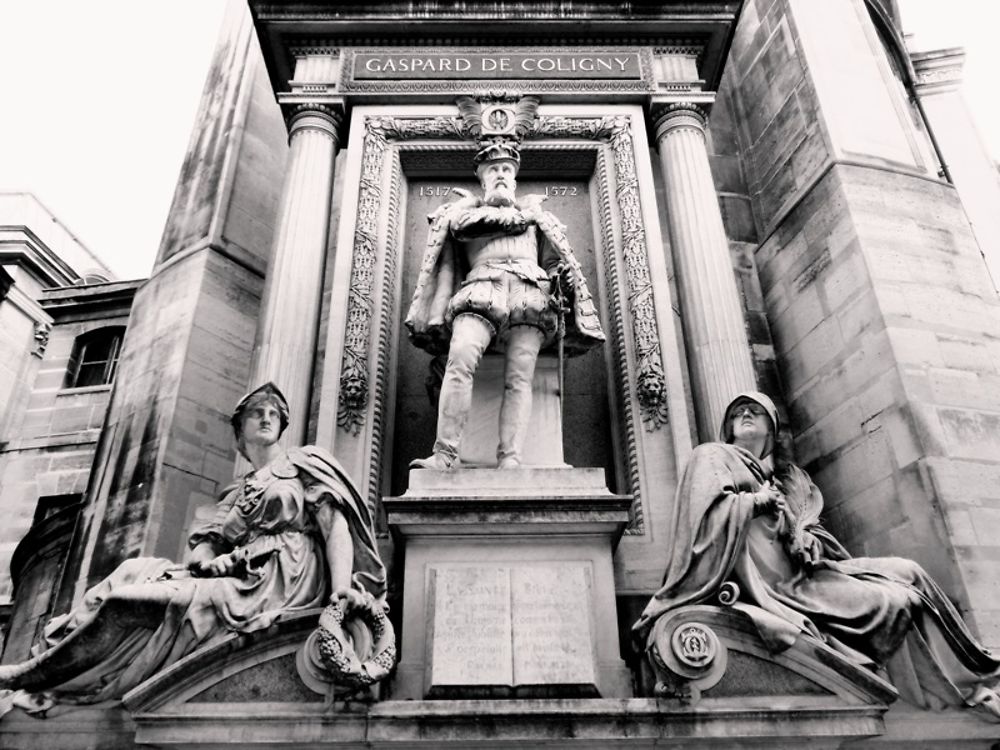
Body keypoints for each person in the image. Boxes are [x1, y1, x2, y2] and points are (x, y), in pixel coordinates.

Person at [0, 382, 386, 705]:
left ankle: (34, 674)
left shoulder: (304, 463)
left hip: (284, 579)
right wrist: (206, 562)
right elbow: (205, 544)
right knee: (132, 571)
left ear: (283, 424)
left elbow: (334, 525)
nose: (267, 417)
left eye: (273, 413)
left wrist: (340, 595)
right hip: (240, 576)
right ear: (240, 431)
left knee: (126, 603)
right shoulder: (237, 492)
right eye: (257, 412)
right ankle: (53, 674)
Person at [633, 391, 1000, 720]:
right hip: (771, 589)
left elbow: (813, 527)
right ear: (727, 426)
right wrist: (754, 503)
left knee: (909, 570)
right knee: (896, 600)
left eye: (754, 411)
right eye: (737, 412)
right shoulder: (712, 456)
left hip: (807, 576)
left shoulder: (790, 480)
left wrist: (807, 538)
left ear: (771, 430)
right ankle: (946, 699)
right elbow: (702, 517)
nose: (745, 415)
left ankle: (978, 683)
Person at [404, 138, 604, 470]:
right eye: (493, 170)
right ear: (482, 179)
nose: (500, 174)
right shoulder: (465, 213)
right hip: (481, 289)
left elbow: (553, 262)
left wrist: (562, 281)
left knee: (520, 378)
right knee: (460, 360)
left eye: (506, 170)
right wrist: (520, 217)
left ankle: (510, 459)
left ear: (514, 179)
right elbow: (463, 229)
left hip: (530, 295)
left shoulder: (539, 219)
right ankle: (444, 455)